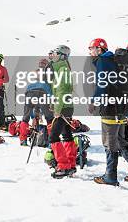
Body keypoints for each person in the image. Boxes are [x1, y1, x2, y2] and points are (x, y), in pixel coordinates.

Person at [89, 38, 128, 186]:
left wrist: (94, 101)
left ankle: (110, 176)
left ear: (99, 48)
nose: (89, 50)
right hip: (121, 106)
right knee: (120, 140)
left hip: (110, 106)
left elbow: (102, 84)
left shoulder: (103, 61)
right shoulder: (114, 60)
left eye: (91, 47)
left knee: (110, 141)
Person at [47, 45, 78, 178]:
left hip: (64, 107)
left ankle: (64, 166)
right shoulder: (61, 68)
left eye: (55, 53)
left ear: (62, 56)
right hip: (66, 107)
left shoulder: (63, 70)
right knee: (66, 135)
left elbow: (62, 91)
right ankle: (70, 164)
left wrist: (58, 109)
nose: (53, 56)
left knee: (53, 136)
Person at [19, 59, 54, 146]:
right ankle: (52, 142)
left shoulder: (31, 82)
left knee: (25, 118)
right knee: (49, 118)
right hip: (43, 92)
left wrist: (33, 117)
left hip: (30, 92)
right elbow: (50, 96)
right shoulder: (47, 78)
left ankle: (23, 140)